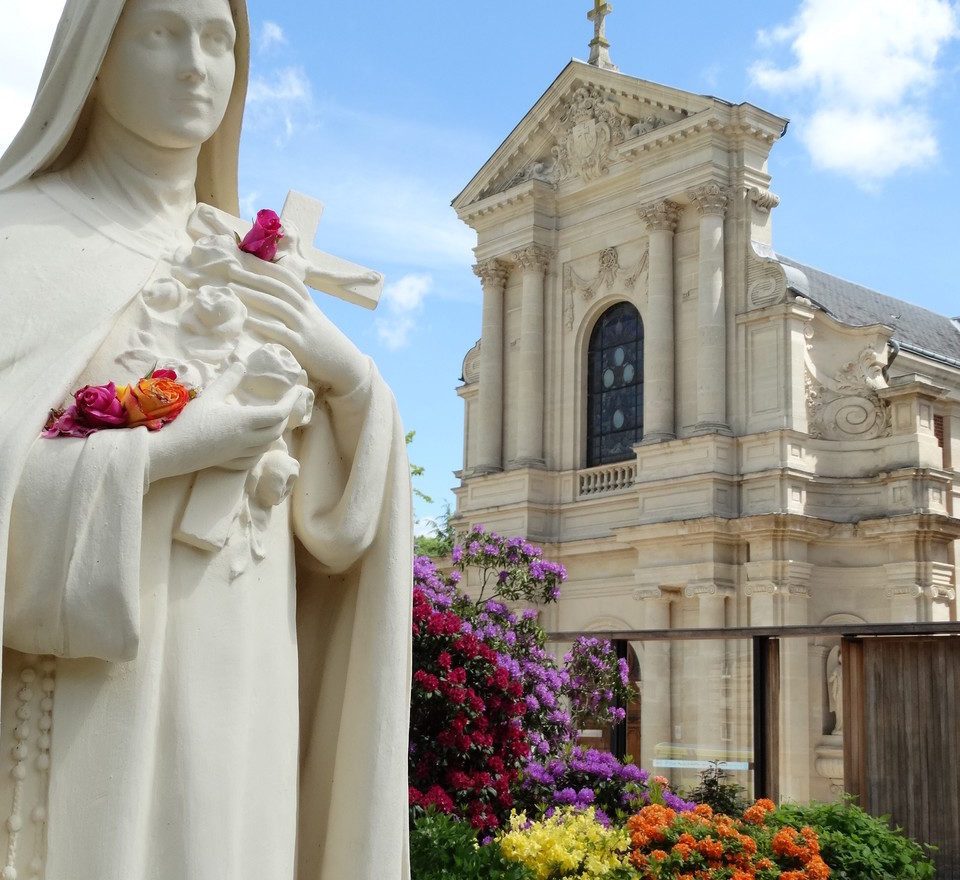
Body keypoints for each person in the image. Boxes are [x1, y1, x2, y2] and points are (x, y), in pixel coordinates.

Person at [0, 1, 412, 878]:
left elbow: (333, 540)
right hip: (86, 700)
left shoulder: (259, 265)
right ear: (93, 56)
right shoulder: (18, 240)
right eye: (161, 33)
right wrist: (160, 455)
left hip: (245, 676)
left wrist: (350, 383)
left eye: (219, 39)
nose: (198, 66)